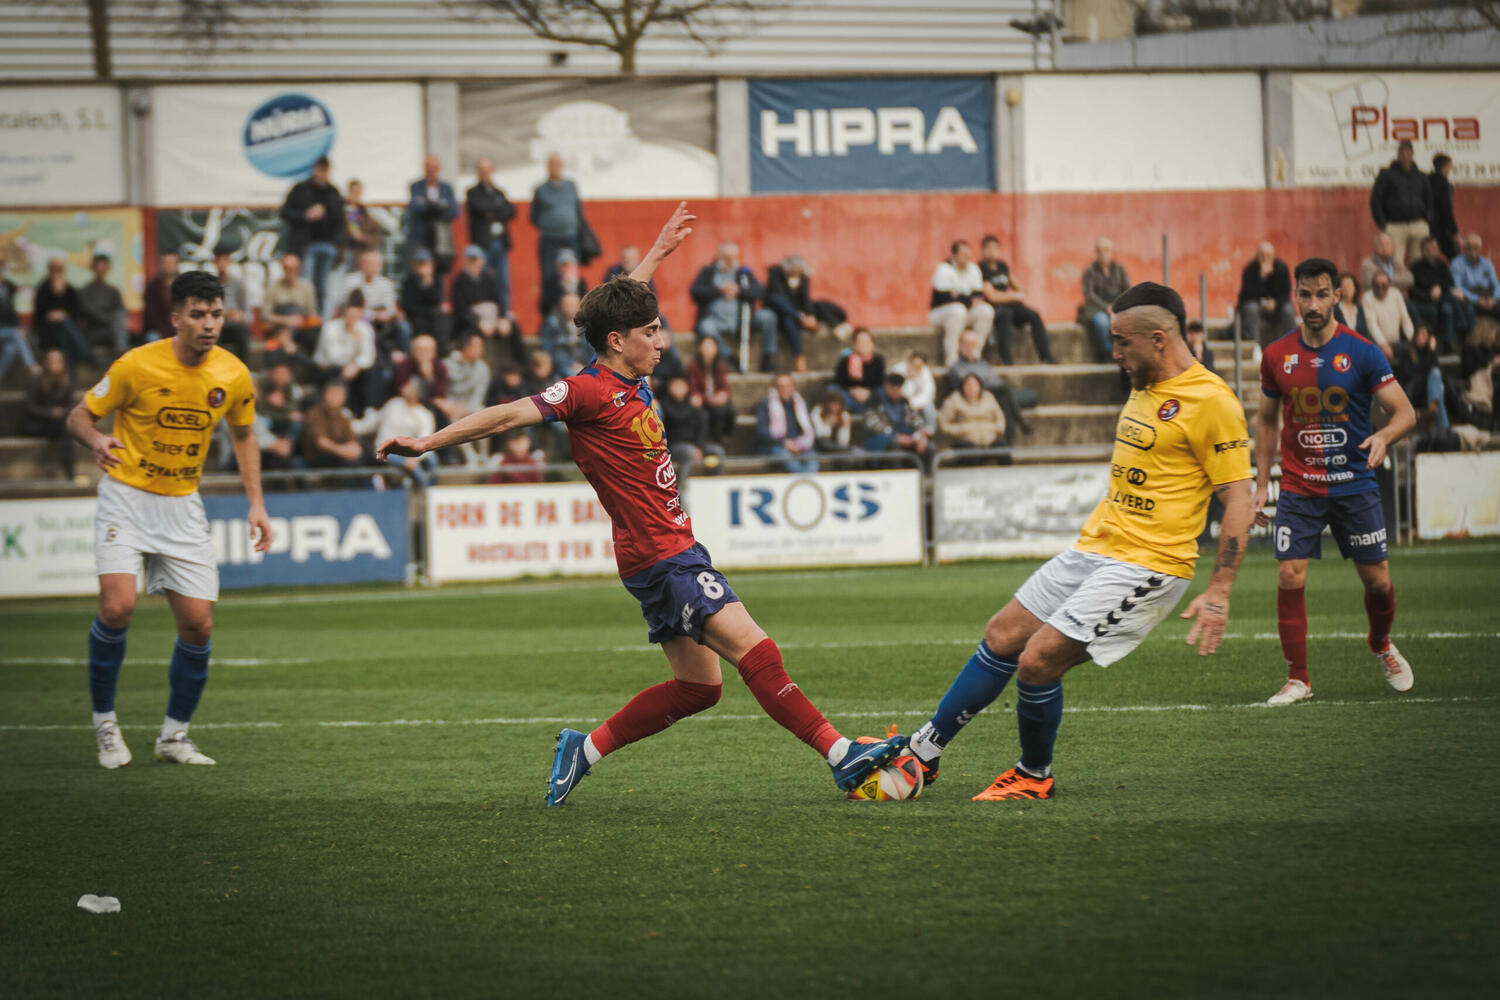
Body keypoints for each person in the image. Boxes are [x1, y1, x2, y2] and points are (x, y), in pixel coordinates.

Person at [376, 203, 906, 804]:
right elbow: (506, 414)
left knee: (699, 688)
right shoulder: (586, 391)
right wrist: (428, 442)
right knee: (756, 650)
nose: (661, 340)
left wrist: (657, 251)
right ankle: (840, 754)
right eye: (650, 332)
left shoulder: (629, 368)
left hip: (664, 550)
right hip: (662, 556)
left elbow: (621, 303)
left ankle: (584, 749)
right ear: (617, 342)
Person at [904, 281, 1254, 800]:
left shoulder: (1213, 402)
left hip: (1150, 564)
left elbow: (1240, 497)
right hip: (1097, 546)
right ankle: (922, 752)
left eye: (1122, 342)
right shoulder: (1143, 380)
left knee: (1037, 661)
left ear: (1158, 339)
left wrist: (1220, 590)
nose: (1114, 353)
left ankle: (1033, 775)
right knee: (1002, 633)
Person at [65, 269, 271, 770]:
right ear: (176, 318)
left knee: (198, 626)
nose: (209, 324)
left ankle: (174, 736)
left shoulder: (233, 374)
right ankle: (105, 724)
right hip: (127, 497)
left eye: (216, 314)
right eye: (198, 315)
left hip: (182, 505)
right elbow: (78, 416)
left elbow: (244, 435)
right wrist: (97, 440)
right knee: (117, 608)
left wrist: (257, 503)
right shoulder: (136, 365)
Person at [1255, 257, 1418, 707]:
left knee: (1378, 583)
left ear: (1337, 297)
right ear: (1295, 296)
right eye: (1305, 294)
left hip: (1354, 484)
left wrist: (1383, 436)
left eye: (1322, 294)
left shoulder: (1363, 352)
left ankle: (1380, 643)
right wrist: (1260, 483)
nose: (1313, 304)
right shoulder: (1276, 356)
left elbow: (1405, 413)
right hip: (1299, 486)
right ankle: (1298, 679)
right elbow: (1266, 421)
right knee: (1289, 574)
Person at [689, 241, 778, 371]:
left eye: (732, 257)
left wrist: (739, 290)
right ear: (719, 256)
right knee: (705, 326)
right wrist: (719, 290)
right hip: (716, 320)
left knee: (768, 316)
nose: (729, 261)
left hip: (743, 320)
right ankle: (729, 357)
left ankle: (767, 357)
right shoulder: (708, 272)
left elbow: (759, 291)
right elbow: (695, 292)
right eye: (726, 257)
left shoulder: (744, 273)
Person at [278, 155, 344, 312]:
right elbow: (285, 212)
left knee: (324, 286)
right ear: (314, 170)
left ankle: (320, 318)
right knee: (306, 284)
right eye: (319, 170)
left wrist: (336, 242)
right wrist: (305, 216)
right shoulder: (300, 189)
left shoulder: (333, 192)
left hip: (327, 244)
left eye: (325, 171)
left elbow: (340, 219)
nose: (321, 174)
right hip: (305, 245)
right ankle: (306, 315)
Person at [764, 254, 848, 373]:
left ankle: (835, 324)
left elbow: (806, 298)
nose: (796, 273)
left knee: (820, 306)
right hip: (781, 315)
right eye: (794, 270)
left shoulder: (803, 277)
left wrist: (810, 315)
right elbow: (778, 300)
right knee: (788, 319)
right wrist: (799, 316)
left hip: (799, 314)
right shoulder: (775, 274)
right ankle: (799, 356)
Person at [946, 328, 1035, 440]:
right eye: (967, 344)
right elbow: (967, 388)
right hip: (982, 397)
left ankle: (1017, 418)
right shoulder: (957, 368)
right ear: (961, 346)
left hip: (1000, 392)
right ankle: (1020, 422)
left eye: (973, 344)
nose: (970, 347)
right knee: (1005, 398)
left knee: (1031, 396)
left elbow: (996, 381)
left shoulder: (983, 364)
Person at [979, 235, 1055, 365]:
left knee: (1034, 315)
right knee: (1005, 315)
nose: (992, 251)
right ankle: (1006, 360)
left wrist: (1017, 293)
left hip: (1010, 305)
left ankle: (1046, 357)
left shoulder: (1002, 266)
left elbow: (1020, 288)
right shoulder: (981, 269)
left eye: (995, 248)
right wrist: (1013, 296)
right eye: (989, 248)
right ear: (983, 250)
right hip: (994, 308)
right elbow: (992, 296)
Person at [313, 290, 380, 412]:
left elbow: (369, 356)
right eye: (348, 315)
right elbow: (332, 356)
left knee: (371, 372)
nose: (351, 319)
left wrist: (356, 365)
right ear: (343, 313)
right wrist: (351, 340)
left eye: (354, 317)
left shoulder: (365, 329)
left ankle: (367, 410)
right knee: (339, 372)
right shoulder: (330, 327)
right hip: (329, 366)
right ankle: (342, 409)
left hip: (352, 367)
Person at [929, 240, 993, 365]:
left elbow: (979, 296)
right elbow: (944, 298)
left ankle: (974, 354)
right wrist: (967, 299)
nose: (967, 257)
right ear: (954, 255)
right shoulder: (944, 269)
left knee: (986, 311)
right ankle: (951, 359)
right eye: (964, 254)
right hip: (941, 313)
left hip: (964, 311)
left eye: (969, 254)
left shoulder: (973, 269)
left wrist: (958, 296)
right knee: (958, 310)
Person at [466, 157, 517, 310]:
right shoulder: (472, 192)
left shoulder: (499, 192)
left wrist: (491, 213)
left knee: (503, 281)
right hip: (483, 244)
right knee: (483, 279)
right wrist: (497, 209)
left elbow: (511, 211)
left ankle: (504, 311)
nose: (485, 173)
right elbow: (479, 207)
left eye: (487, 170)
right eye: (482, 170)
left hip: (500, 242)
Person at [337, 248, 410, 355]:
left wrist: (389, 314)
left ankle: (402, 357)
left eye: (375, 264)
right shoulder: (351, 281)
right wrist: (373, 315)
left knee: (404, 327)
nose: (372, 266)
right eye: (369, 263)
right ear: (361, 264)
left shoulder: (386, 283)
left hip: (383, 321)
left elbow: (391, 308)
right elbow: (347, 307)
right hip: (358, 319)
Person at [1370, 140, 1432, 264]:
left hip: (1418, 224)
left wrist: (1427, 220)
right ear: (1397, 155)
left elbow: (1429, 199)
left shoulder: (1421, 176)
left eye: (1408, 152)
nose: (1405, 156)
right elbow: (1375, 199)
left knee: (1420, 263)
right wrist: (1383, 223)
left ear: (1412, 154)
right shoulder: (1386, 175)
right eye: (1402, 153)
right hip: (1395, 225)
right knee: (1395, 262)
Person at [530, 152, 584, 285]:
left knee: (571, 275)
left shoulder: (571, 186)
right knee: (549, 275)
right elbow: (533, 216)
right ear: (547, 167)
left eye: (558, 164)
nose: (555, 167)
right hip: (549, 238)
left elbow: (578, 209)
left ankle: (572, 298)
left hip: (570, 236)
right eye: (552, 164)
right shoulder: (540, 189)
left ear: (562, 166)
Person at [22, 347, 76, 478]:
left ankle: (69, 469)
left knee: (66, 428)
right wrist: (50, 412)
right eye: (52, 361)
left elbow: (70, 405)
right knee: (65, 429)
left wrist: (61, 412)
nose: (55, 365)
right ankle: (69, 471)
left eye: (58, 361)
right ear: (46, 363)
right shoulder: (36, 380)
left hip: (57, 424)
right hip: (38, 423)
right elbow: (30, 406)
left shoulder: (66, 381)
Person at [659, 372, 724, 477]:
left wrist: (700, 447)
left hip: (695, 445)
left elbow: (703, 424)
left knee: (717, 451)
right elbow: (677, 417)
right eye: (675, 385)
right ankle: (681, 484)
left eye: (681, 385)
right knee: (689, 452)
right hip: (675, 445)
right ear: (670, 387)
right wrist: (692, 407)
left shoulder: (693, 403)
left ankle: (714, 481)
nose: (678, 389)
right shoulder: (665, 404)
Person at [376, 375, 438, 485]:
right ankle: (423, 490)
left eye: (408, 385)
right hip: (388, 450)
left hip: (410, 451)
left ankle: (432, 488)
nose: (404, 387)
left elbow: (426, 439)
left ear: (416, 393)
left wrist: (415, 459)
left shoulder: (424, 415)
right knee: (416, 470)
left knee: (433, 460)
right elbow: (376, 423)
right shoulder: (393, 404)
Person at [1409, 236, 1464, 352]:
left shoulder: (1442, 265)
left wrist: (1439, 288)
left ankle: (1448, 343)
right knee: (1450, 304)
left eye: (1433, 248)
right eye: (1427, 249)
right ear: (1422, 251)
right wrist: (1430, 293)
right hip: (1426, 300)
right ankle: (1461, 322)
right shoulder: (1416, 267)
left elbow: (1449, 282)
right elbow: (1414, 288)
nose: (1430, 251)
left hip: (1442, 298)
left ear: (1438, 250)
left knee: (1450, 304)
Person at [1237, 242, 1297, 347]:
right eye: (1262, 256)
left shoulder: (1281, 268)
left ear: (1274, 256)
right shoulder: (1250, 269)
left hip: (1277, 307)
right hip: (1258, 307)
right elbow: (1246, 296)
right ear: (1257, 256)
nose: (1265, 259)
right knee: (1251, 308)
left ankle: (1292, 344)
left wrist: (1275, 303)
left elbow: (1285, 293)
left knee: (1288, 309)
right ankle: (1254, 346)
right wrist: (1261, 277)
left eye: (1268, 256)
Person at [756, 372, 818, 474]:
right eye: (781, 386)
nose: (785, 389)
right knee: (788, 459)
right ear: (775, 388)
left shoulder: (801, 404)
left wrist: (799, 444)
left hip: (801, 445)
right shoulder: (766, 404)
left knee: (812, 461)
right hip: (776, 445)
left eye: (788, 386)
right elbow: (762, 432)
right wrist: (785, 443)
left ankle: (806, 482)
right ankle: (802, 481)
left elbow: (810, 429)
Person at [1392, 324, 1449, 433]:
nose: (1421, 338)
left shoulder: (1429, 353)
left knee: (1436, 375)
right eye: (1419, 335)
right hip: (1414, 389)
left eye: (1424, 336)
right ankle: (1445, 429)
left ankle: (1433, 407)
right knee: (1439, 388)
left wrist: (1432, 351)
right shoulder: (1407, 351)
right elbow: (1410, 373)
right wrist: (1425, 372)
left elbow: (1434, 369)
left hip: (1427, 390)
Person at [1080, 236, 1130, 361]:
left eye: (1107, 250)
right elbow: (1089, 294)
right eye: (1100, 250)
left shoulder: (1119, 269)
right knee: (1102, 322)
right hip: (1097, 308)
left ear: (1111, 252)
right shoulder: (1090, 271)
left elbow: (1127, 289)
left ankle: (1125, 353)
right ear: (1096, 253)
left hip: (1118, 305)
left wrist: (1117, 306)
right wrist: (1105, 307)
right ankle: (1107, 353)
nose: (1104, 253)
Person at [863, 373, 932, 461]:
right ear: (886, 386)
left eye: (899, 387)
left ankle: (925, 470)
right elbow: (873, 424)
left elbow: (914, 418)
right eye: (893, 387)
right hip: (882, 439)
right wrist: (896, 436)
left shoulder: (903, 401)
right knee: (894, 445)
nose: (896, 391)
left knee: (928, 446)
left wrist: (921, 434)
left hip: (905, 435)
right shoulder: (874, 400)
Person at [33, 257, 88, 364]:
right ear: (49, 270)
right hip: (47, 330)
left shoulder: (70, 290)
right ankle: (85, 353)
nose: (56, 273)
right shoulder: (42, 289)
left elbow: (77, 313)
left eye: (59, 269)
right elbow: (38, 315)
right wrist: (51, 315)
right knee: (64, 325)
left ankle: (77, 361)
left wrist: (63, 314)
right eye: (54, 269)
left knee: (65, 325)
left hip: (66, 331)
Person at [264, 252, 320, 355]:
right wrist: (286, 320)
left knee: (315, 328)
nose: (291, 271)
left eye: (294, 268)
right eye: (287, 268)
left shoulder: (306, 287)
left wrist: (301, 321)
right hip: (280, 326)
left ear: (299, 269)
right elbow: (266, 315)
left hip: (301, 326)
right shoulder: (274, 287)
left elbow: (312, 312)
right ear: (283, 268)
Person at [302, 379, 366, 468]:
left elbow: (352, 438)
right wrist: (342, 451)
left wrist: (354, 449)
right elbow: (321, 442)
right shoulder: (315, 413)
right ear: (325, 395)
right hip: (319, 456)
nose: (335, 398)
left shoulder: (343, 416)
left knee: (364, 452)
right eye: (332, 393)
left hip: (341, 453)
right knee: (344, 462)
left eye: (339, 394)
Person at [686, 334, 735, 444]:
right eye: (705, 345)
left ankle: (724, 438)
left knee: (730, 410)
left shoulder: (721, 365)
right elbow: (694, 389)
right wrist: (709, 399)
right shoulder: (693, 365)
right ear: (700, 348)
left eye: (711, 346)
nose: (708, 349)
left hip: (715, 399)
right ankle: (713, 441)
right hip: (703, 401)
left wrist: (723, 394)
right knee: (713, 412)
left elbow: (725, 386)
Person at [398, 247, 450, 349]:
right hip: (416, 316)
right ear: (414, 266)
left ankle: (443, 351)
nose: (422, 267)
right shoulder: (409, 281)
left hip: (434, 316)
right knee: (419, 324)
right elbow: (408, 305)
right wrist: (430, 310)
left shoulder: (437, 280)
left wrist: (427, 282)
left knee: (444, 320)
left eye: (425, 264)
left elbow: (437, 299)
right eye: (420, 264)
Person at [937, 371, 1005, 449]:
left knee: (1003, 446)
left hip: (990, 437)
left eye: (975, 385)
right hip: (965, 440)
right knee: (968, 449)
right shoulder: (954, 399)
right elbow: (942, 423)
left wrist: (996, 428)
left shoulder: (989, 397)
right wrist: (961, 429)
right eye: (968, 385)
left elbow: (1000, 418)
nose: (971, 388)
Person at [78, 253, 128, 358]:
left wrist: (115, 320)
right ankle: (121, 352)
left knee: (119, 317)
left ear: (108, 269)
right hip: (95, 330)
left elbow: (121, 311)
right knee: (117, 323)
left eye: (104, 267)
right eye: (99, 267)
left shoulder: (113, 291)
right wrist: (111, 319)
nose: (101, 270)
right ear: (93, 268)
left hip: (113, 329)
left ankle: (120, 350)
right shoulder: (85, 291)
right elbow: (90, 312)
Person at [1360, 268, 1412, 360]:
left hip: (1396, 343)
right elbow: (1372, 325)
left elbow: (1405, 319)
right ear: (1372, 285)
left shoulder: (1396, 294)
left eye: (1384, 285)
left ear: (1389, 285)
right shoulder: (1368, 297)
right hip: (1377, 345)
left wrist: (1413, 340)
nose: (1380, 288)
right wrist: (1383, 344)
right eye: (1377, 285)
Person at [1450, 233, 1500, 330]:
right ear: (1464, 249)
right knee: (1467, 308)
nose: (1473, 251)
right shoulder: (1456, 263)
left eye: (1476, 247)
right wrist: (1477, 299)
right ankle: (1470, 337)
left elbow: (1496, 285)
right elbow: (1458, 288)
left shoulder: (1487, 264)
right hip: (1469, 297)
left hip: (1488, 295)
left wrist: (1494, 299)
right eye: (1469, 248)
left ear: (1480, 249)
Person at [0, 261, 39, 383]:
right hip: (7, 331)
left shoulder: (8, 287)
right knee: (17, 334)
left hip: (7, 330)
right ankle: (31, 365)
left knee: (11, 349)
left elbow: (11, 312)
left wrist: (18, 326)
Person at [209, 249, 252, 360]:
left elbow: (248, 314)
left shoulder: (238, 284)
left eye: (224, 260)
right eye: (219, 260)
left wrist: (240, 316)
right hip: (215, 323)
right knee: (212, 331)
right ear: (214, 262)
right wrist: (223, 314)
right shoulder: (210, 284)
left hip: (234, 324)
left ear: (229, 262)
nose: (222, 264)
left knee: (242, 330)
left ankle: (242, 365)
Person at [831, 327, 885, 412]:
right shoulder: (846, 360)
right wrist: (852, 390)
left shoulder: (878, 360)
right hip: (850, 397)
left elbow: (880, 382)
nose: (863, 344)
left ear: (872, 344)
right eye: (860, 342)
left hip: (870, 397)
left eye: (866, 342)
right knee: (832, 390)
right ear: (854, 344)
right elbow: (838, 381)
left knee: (882, 392)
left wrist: (868, 392)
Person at [540, 291, 588, 376]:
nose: (570, 308)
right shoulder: (552, 323)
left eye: (573, 305)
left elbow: (592, 348)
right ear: (561, 306)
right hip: (561, 366)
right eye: (567, 305)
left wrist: (587, 365)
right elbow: (550, 349)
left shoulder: (586, 324)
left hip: (585, 363)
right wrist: (571, 364)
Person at [446, 330, 491, 417]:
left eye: (481, 347)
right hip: (450, 407)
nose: (480, 351)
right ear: (466, 347)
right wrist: (453, 407)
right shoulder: (447, 364)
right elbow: (445, 390)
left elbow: (479, 394)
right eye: (477, 347)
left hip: (471, 409)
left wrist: (467, 410)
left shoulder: (483, 368)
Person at [890, 349, 937, 430]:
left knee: (929, 406)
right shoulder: (897, 370)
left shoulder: (925, 372)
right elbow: (897, 393)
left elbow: (928, 393)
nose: (914, 368)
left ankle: (930, 431)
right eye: (913, 365)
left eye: (918, 367)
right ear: (908, 362)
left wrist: (913, 403)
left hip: (916, 402)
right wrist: (910, 379)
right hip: (900, 402)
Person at [140, 251, 180, 345]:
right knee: (152, 337)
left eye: (172, 262)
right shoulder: (152, 287)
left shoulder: (184, 285)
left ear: (177, 265)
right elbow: (151, 315)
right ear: (160, 265)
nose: (169, 266)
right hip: (158, 330)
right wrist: (165, 331)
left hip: (180, 328)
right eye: (166, 262)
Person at [1359, 231, 1414, 297]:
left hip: (1399, 299)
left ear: (1393, 247)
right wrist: (1398, 281)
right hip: (1377, 299)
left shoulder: (1396, 262)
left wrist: (1384, 280)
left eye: (1387, 244)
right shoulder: (1368, 264)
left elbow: (1409, 279)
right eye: (1381, 244)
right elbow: (1369, 283)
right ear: (1375, 247)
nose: (1384, 247)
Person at [540, 247, 588, 317]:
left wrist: (573, 286)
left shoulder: (581, 283)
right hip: (557, 316)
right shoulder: (551, 283)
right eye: (563, 266)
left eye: (569, 265)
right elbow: (545, 306)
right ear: (558, 268)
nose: (566, 269)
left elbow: (586, 305)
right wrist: (563, 287)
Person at [1429, 154, 1460, 261]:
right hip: (1442, 228)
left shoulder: (1426, 181)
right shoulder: (1444, 184)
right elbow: (1447, 209)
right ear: (1445, 166)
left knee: (1430, 256)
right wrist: (1454, 230)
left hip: (1427, 225)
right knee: (1456, 256)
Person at [1332, 272, 1371, 340]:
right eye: (1344, 286)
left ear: (1355, 288)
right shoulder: (1335, 310)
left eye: (1350, 285)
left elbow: (1365, 333)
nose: (1347, 289)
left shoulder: (1360, 309)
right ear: (1339, 290)